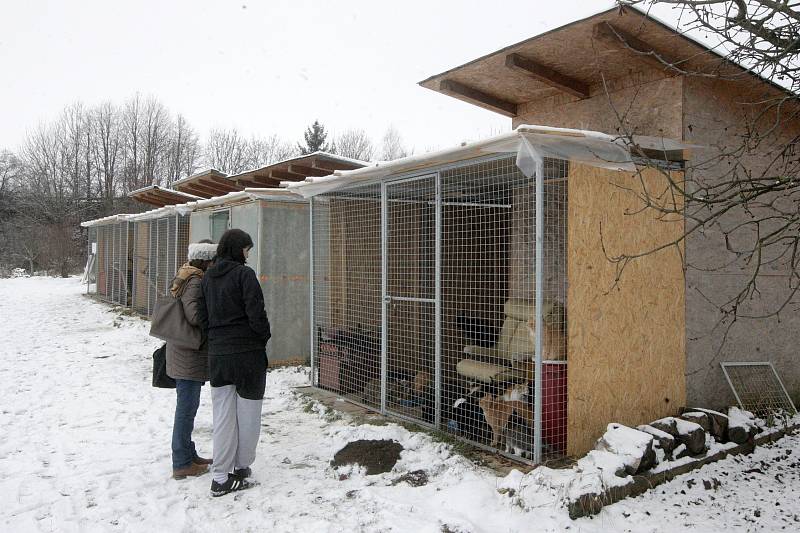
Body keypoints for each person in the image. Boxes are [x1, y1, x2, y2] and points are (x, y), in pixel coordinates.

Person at [198, 229, 271, 497]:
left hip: (218, 356)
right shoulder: (244, 275)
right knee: (249, 414)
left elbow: (201, 315)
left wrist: (215, 339)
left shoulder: (207, 277)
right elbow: (256, 313)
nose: (248, 254)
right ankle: (241, 467)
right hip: (247, 355)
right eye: (247, 249)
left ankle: (220, 476)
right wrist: (261, 338)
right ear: (238, 249)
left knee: (223, 416)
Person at [167, 240, 218, 480]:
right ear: (207, 260)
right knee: (186, 410)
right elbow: (195, 315)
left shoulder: (186, 275)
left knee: (188, 408)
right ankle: (182, 463)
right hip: (188, 354)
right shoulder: (196, 281)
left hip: (182, 352)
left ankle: (189, 453)